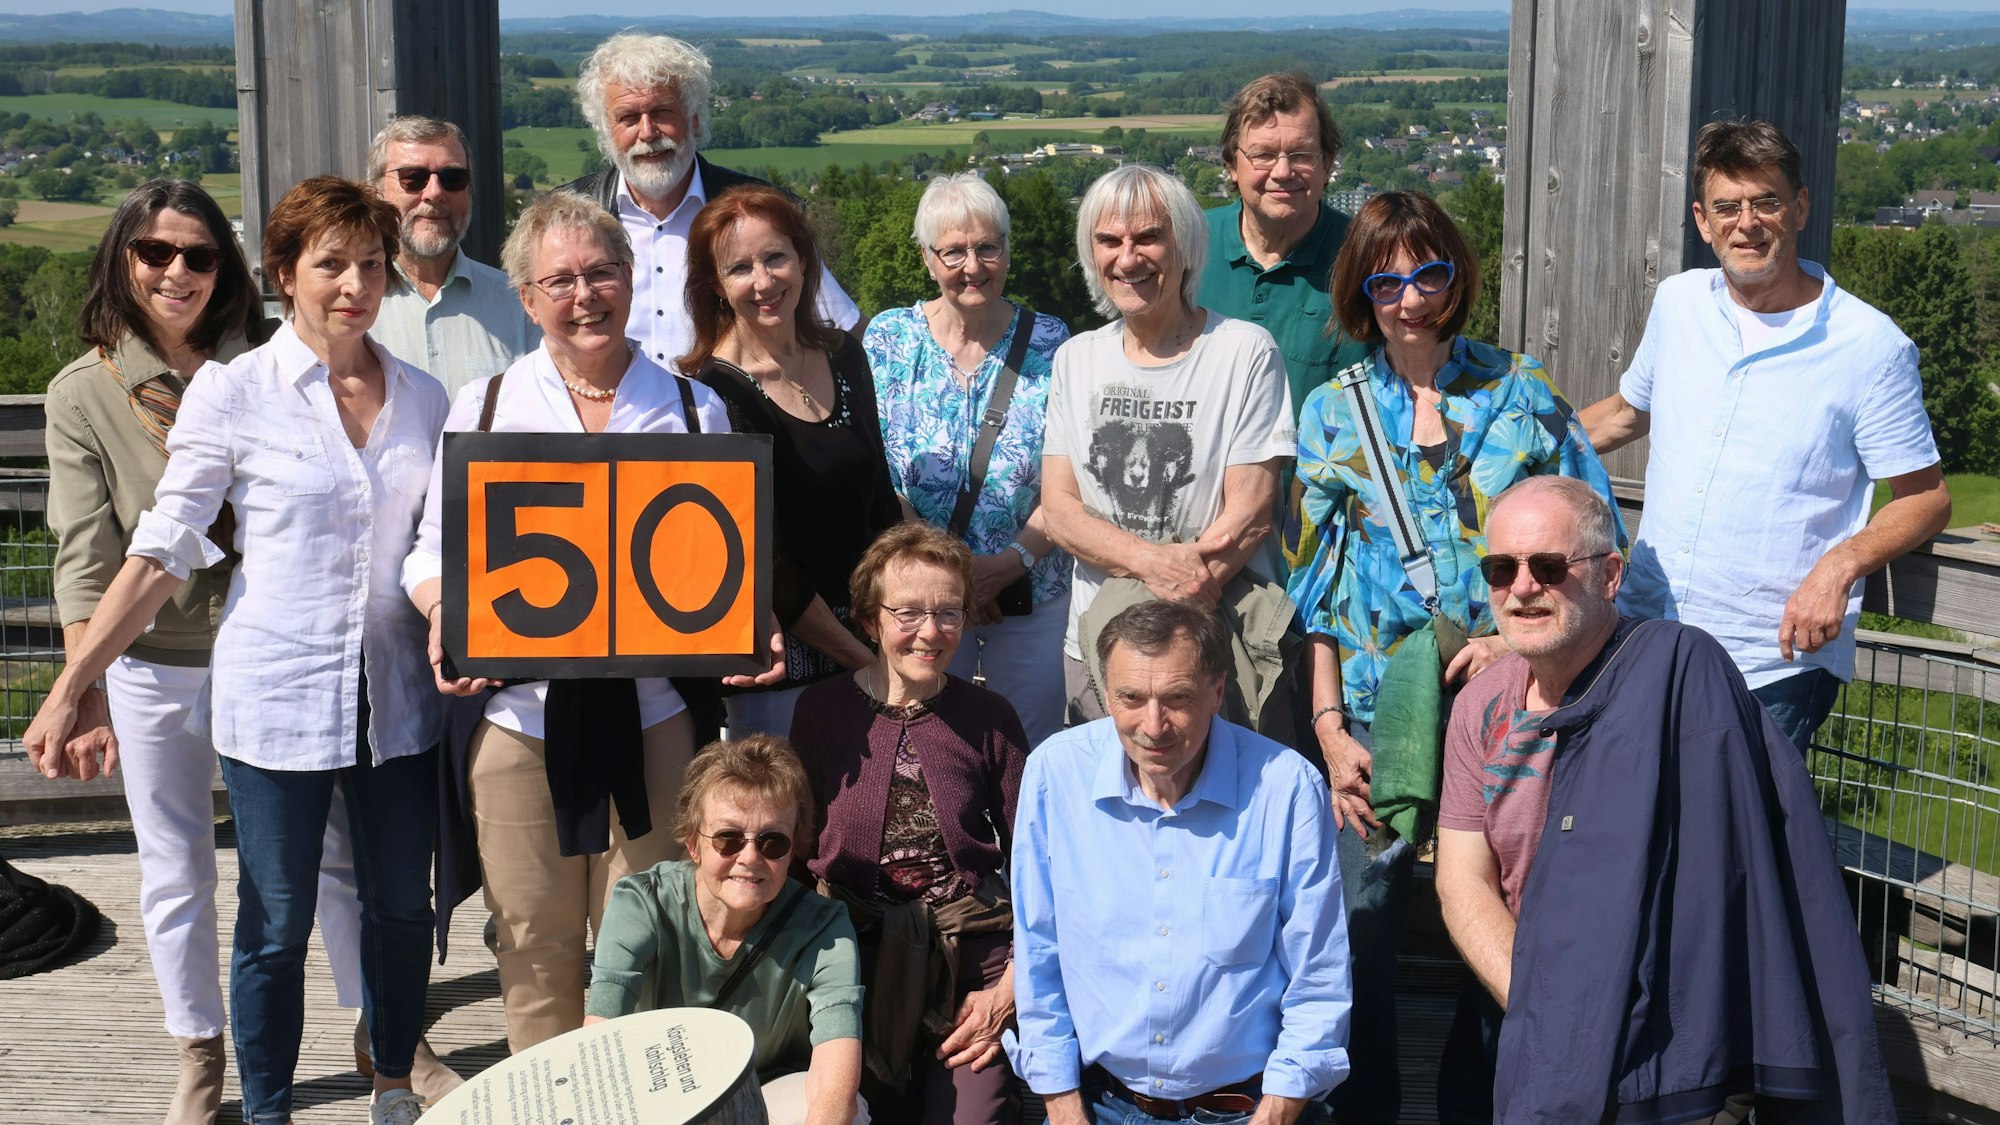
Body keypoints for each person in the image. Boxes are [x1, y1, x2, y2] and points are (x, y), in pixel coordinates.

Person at [24, 175, 449, 1125]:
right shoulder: (233, 389)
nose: (355, 284)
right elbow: (163, 545)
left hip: (397, 693)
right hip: (276, 691)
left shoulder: (425, 395)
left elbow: (439, 537)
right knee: (276, 920)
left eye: (372, 264)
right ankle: (265, 1105)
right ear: (282, 275)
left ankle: (388, 1077)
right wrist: (74, 684)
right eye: (330, 263)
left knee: (397, 906)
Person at [1286, 189, 1621, 1125]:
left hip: (1514, 700)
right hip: (1373, 709)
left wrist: (1508, 642)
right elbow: (1318, 590)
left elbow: (1595, 535)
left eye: (1427, 273)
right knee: (1361, 933)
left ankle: (1491, 1107)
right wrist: (1327, 729)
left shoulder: (1521, 391)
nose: (1409, 297)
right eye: (1386, 279)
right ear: (1362, 288)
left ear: (1455, 276)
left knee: (1512, 921)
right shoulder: (1330, 414)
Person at [1434, 476, 1894, 1123]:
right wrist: (1557, 1012)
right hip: (1533, 1005)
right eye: (1501, 568)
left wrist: (1598, 1019)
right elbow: (1461, 882)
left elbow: (1724, 895)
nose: (1523, 586)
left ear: (1610, 575)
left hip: (1672, 1042)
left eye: (1548, 565)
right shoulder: (1481, 707)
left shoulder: (1681, 675)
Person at [400, 191, 734, 1054]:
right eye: (561, 280)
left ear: (630, 280)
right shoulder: (483, 406)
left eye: (602, 273)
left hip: (657, 720)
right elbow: (431, 554)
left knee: (650, 945)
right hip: (519, 723)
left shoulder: (696, 409)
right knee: (533, 946)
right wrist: (446, 616)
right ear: (526, 296)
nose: (585, 295)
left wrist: (749, 617)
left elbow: (723, 559)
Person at [1579, 117, 1951, 752]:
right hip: (1644, 630)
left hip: (1770, 659)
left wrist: (1840, 566)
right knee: (1636, 834)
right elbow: (1625, 416)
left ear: (1799, 207)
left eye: (1765, 202)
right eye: (1727, 207)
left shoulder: (1870, 346)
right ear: (1703, 220)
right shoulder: (1679, 303)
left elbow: (1926, 497)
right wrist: (1511, 447)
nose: (1745, 223)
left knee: (1741, 846)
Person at [1004, 599, 1349, 1124]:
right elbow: (1038, 949)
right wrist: (1062, 1106)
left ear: (1217, 692)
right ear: (1103, 692)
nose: (1153, 724)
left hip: (1247, 1110)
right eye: (1131, 698)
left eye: (1177, 698)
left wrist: (1276, 1113)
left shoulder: (1288, 789)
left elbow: (1318, 979)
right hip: (1099, 1105)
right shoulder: (1055, 774)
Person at [789, 522, 1029, 1124]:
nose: (931, 632)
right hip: (852, 951)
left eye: (949, 613)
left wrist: (1013, 986)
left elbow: (1037, 854)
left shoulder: (989, 716)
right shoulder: (821, 711)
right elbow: (793, 850)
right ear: (869, 620)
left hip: (968, 948)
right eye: (909, 613)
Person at [1040, 163, 1295, 729]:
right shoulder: (1076, 360)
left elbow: (1251, 513)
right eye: (1108, 241)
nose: (1127, 258)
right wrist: (1154, 564)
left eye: (1148, 237)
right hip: (1097, 647)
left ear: (1185, 246)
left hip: (1210, 645)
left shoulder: (1242, 352)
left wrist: (1176, 603)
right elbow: (1059, 512)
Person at [681, 185, 903, 737]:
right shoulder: (714, 396)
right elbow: (766, 563)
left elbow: (879, 498)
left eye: (775, 257)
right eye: (739, 268)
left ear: (803, 260)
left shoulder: (844, 355)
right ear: (715, 285)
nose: (763, 281)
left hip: (878, 646)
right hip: (784, 681)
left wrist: (898, 628)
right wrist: (863, 660)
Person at [863, 172, 1072, 745]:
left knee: (1030, 755)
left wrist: (1010, 563)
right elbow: (873, 469)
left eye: (987, 247)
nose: (973, 266)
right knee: (924, 751)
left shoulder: (1055, 343)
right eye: (953, 251)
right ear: (928, 259)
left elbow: (1072, 471)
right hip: (916, 608)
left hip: (1031, 602)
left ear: (1008, 250)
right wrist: (950, 577)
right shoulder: (889, 340)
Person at [586, 734, 868, 1125]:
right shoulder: (642, 902)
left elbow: (835, 1082)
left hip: (765, 1090)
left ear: (794, 848)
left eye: (773, 842)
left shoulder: (825, 929)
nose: (749, 857)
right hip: (658, 1096)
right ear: (693, 843)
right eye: (728, 839)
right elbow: (599, 1038)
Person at [560, 32, 861, 370]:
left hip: (733, 417)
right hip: (611, 420)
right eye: (628, 117)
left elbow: (839, 332)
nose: (647, 132)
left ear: (695, 119)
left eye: (662, 111)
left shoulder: (763, 215)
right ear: (605, 131)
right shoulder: (567, 223)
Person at [1196, 73, 1369, 427]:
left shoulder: (1367, 256)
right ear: (1231, 164)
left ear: (1328, 164)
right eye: (1263, 155)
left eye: (1302, 154)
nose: (1283, 171)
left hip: (1320, 481)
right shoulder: (1186, 245)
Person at [368, 115, 539, 400]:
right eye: (413, 178)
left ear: (470, 192)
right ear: (376, 192)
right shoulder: (348, 307)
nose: (434, 193)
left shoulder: (519, 305)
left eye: (453, 179)